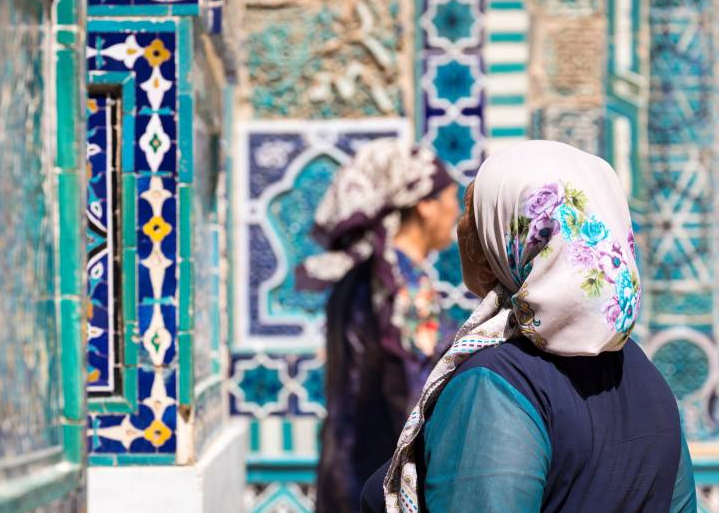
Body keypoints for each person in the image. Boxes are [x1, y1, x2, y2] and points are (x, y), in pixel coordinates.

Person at [362, 140, 696, 512]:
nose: (461, 227)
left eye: (474, 215)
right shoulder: (644, 377)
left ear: (509, 247)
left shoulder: (494, 385)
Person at [296, 138, 460, 513]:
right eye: (451, 197)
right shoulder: (402, 287)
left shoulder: (358, 277)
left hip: (344, 473)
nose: (456, 210)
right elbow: (415, 396)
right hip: (380, 483)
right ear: (424, 205)